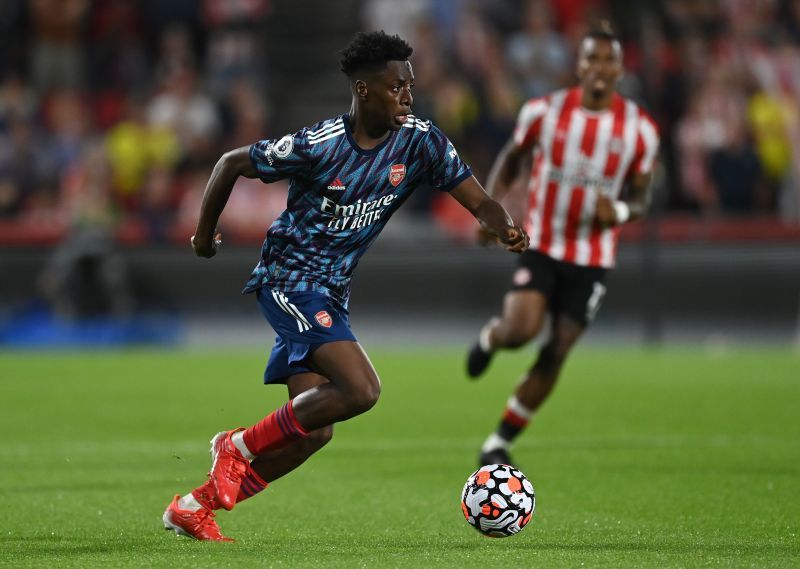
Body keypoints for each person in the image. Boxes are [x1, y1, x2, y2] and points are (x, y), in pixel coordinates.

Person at [162, 31, 528, 542]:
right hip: (289, 280)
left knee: (313, 433)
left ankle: (194, 507)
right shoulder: (319, 146)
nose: (407, 94)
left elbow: (479, 199)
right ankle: (237, 446)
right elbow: (230, 164)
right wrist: (203, 236)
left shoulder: (421, 141)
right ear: (362, 89)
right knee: (362, 389)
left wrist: (503, 223)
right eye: (396, 85)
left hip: (331, 293)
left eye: (411, 84)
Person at [466, 23, 659, 467]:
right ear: (579, 64)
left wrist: (622, 213)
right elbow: (512, 158)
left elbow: (643, 196)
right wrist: (488, 214)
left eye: (608, 59)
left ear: (620, 68)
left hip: (593, 258)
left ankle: (499, 441)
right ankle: (492, 338)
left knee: (558, 350)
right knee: (521, 331)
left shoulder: (640, 129)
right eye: (591, 58)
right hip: (543, 243)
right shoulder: (544, 112)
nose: (599, 67)